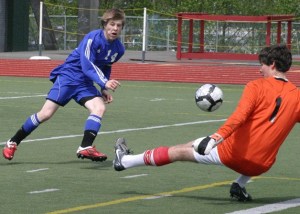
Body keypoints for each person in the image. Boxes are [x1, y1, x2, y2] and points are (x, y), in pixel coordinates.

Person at [113, 44, 300, 201]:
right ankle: (239, 185)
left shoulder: (256, 86)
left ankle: (125, 161)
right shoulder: (297, 96)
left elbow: (239, 117)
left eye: (262, 65)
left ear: (273, 64)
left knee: (179, 151)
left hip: (233, 156)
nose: (259, 70)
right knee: (255, 141)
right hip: (262, 165)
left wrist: (215, 137)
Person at [3, 8, 126, 162]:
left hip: (85, 83)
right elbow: (87, 65)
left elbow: (106, 65)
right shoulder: (92, 39)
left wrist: (103, 88)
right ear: (104, 24)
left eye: (119, 25)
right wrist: (104, 81)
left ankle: (85, 146)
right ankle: (13, 142)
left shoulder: (119, 49)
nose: (115, 28)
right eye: (112, 24)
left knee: (99, 108)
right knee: (46, 114)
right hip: (69, 77)